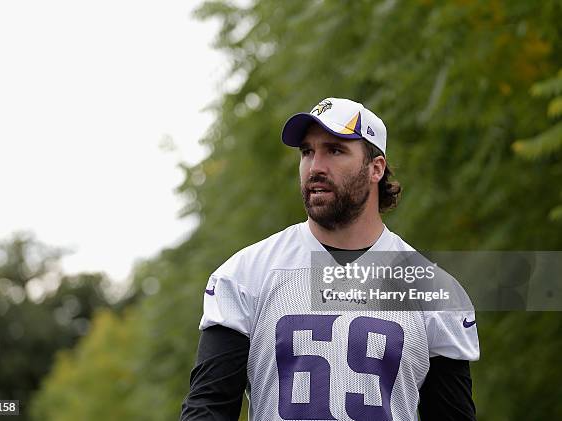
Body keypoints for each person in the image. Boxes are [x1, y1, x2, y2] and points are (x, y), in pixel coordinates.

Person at [180, 97, 479, 421]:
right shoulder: (244, 275)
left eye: (334, 151)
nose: (315, 167)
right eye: (307, 152)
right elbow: (208, 408)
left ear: (376, 168)